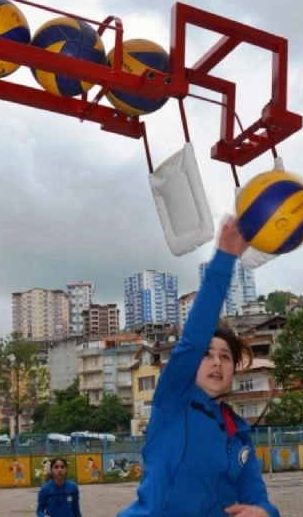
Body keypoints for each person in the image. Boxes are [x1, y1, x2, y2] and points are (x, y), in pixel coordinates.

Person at [117, 217, 279, 517]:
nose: (217, 361)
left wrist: (266, 513)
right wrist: (225, 258)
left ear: (233, 371)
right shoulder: (174, 401)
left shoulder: (239, 434)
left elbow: (257, 497)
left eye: (225, 357)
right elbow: (192, 339)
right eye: (207, 355)